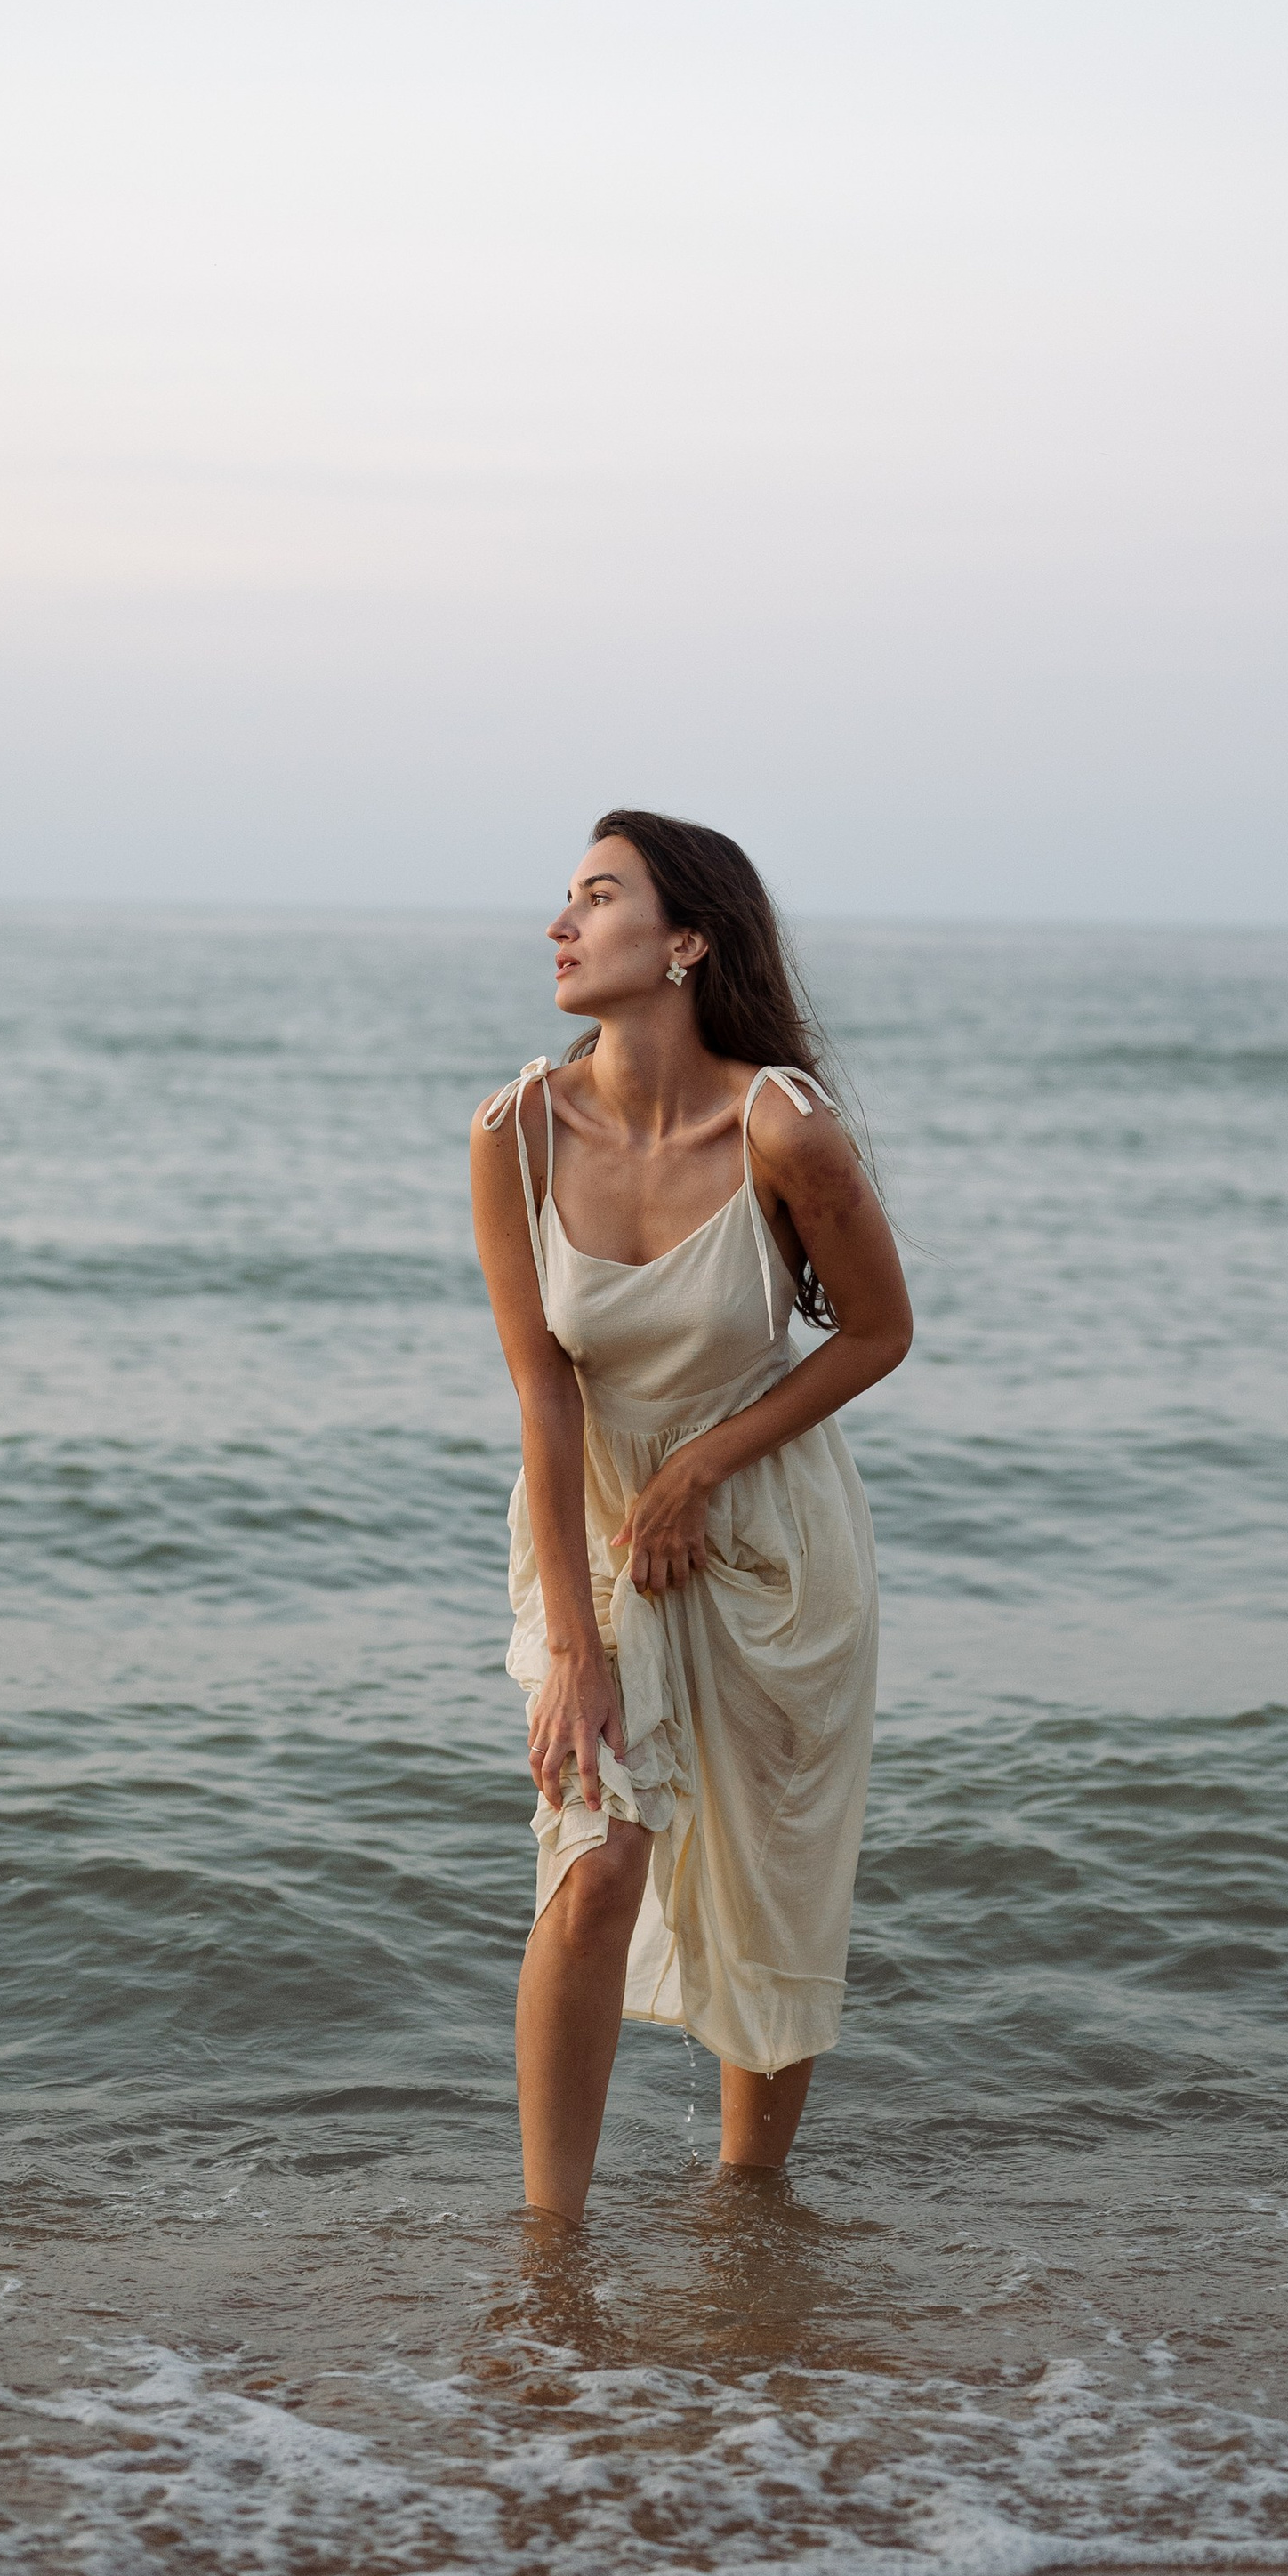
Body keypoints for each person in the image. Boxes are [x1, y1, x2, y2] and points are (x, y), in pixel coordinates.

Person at [470, 809, 913, 2225]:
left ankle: (746, 2227)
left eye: (597, 898)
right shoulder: (519, 1131)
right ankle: (551, 2252)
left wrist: (701, 1465)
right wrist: (578, 1642)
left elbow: (878, 1334)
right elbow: (543, 1393)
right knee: (594, 1856)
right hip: (594, 1533)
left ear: (686, 942)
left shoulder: (781, 1124)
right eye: (566, 896)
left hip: (770, 1540)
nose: (561, 923)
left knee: (768, 1877)